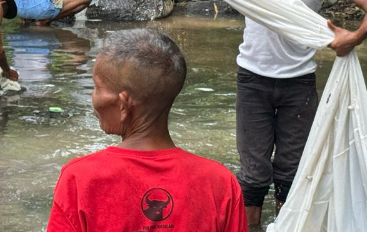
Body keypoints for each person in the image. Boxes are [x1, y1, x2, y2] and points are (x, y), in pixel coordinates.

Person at [212, 0, 367, 226]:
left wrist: (354, 37)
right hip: (253, 80)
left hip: (299, 85)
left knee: (292, 173)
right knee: (253, 175)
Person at [46, 29, 247, 232]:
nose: (93, 96)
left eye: (97, 87)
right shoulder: (220, 183)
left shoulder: (81, 180)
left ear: (123, 105)